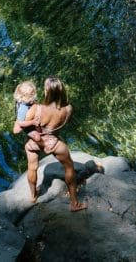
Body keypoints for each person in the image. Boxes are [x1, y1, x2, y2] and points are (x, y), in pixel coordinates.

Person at [13, 76, 87, 212]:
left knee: (32, 167)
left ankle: (34, 196)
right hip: (54, 143)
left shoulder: (36, 108)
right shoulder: (69, 109)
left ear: (47, 91)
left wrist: (19, 119)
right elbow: (63, 122)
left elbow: (17, 130)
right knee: (69, 167)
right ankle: (74, 204)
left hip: (34, 144)